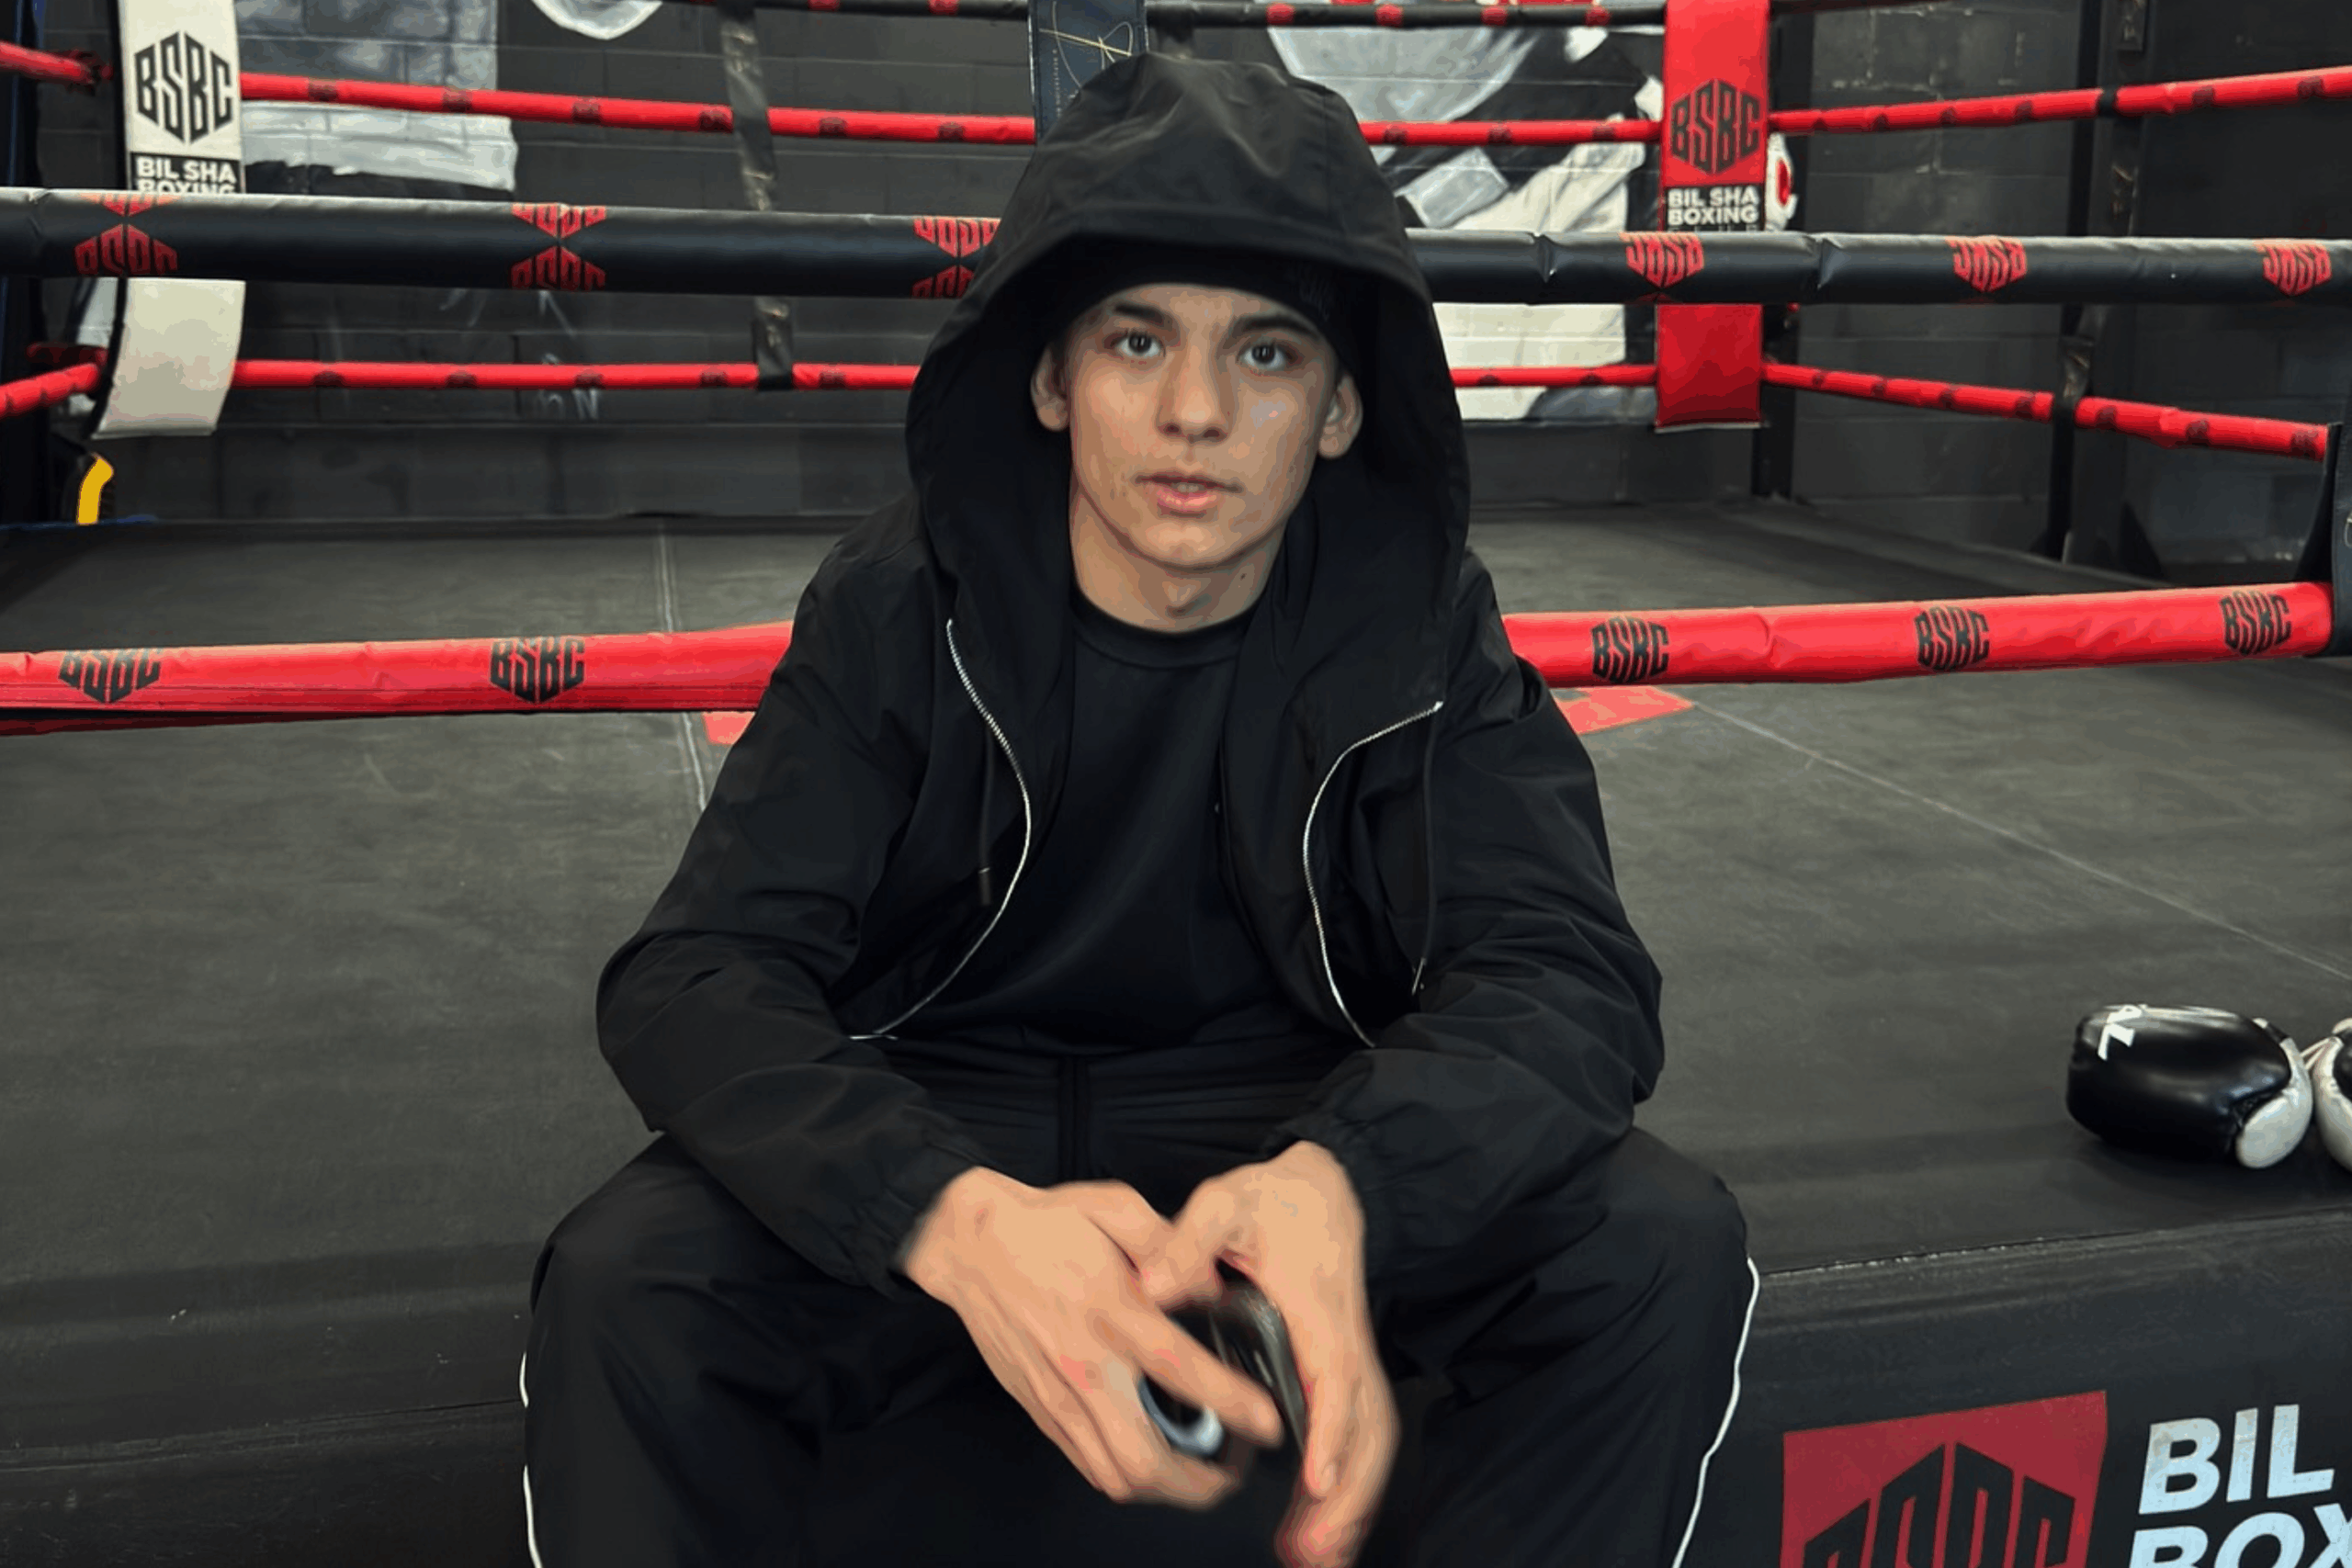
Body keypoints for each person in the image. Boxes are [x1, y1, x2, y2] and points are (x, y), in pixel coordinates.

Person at [520, 51, 1757, 1568]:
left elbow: (1569, 972)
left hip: (1285, 1118)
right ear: (1053, 378)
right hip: (950, 1098)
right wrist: (942, 1210)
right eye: (1136, 339)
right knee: (631, 1285)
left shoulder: (1416, 616)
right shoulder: (904, 602)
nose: (1193, 412)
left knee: (1653, 1245)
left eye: (1265, 354)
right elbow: (698, 971)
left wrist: (1352, 1180)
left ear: (1341, 407)